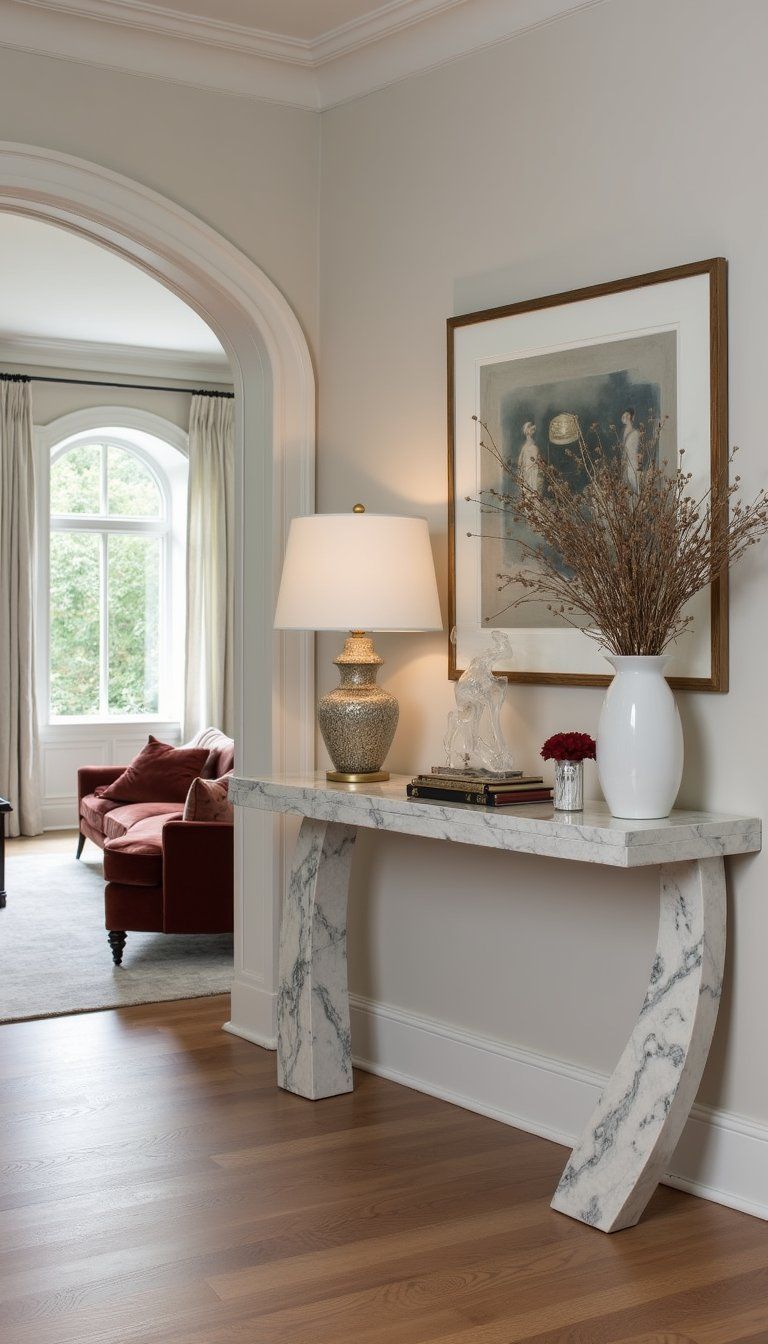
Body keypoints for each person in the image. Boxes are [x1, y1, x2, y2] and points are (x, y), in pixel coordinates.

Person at [517, 420, 543, 495]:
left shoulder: (534, 445)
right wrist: (522, 472)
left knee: (535, 492)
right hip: (528, 473)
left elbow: (538, 459)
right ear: (527, 432)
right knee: (529, 493)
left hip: (535, 472)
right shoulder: (525, 447)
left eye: (534, 430)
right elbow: (520, 461)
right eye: (532, 430)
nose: (533, 432)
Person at [621, 407, 642, 491]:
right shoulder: (624, 431)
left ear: (629, 416)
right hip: (625, 461)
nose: (623, 417)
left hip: (632, 462)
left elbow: (634, 450)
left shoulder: (635, 433)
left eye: (625, 415)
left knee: (633, 483)